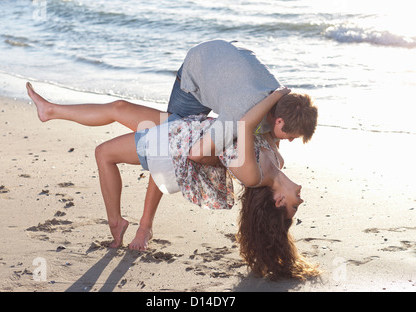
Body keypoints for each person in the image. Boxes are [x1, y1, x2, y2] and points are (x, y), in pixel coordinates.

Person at [26, 82, 319, 280]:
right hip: (186, 127)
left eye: (295, 208)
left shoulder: (256, 174)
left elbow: (244, 124)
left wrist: (277, 94)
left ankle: (117, 222)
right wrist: (286, 103)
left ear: (278, 201)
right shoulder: (277, 159)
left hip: (171, 144)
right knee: (118, 107)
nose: (301, 201)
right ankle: (50, 110)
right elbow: (271, 122)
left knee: (104, 153)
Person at [138, 40, 318, 251]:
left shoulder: (282, 104)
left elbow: (263, 150)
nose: (289, 141)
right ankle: (145, 225)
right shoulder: (240, 115)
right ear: (279, 121)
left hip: (228, 58)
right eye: (291, 136)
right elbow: (198, 153)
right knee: (165, 142)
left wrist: (278, 95)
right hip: (199, 68)